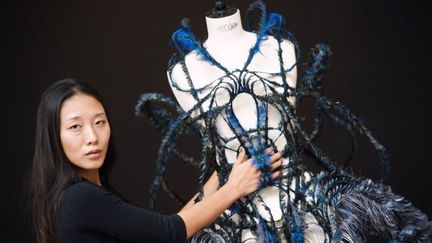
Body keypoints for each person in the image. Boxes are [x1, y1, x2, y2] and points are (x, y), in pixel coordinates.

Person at [29, 78, 283, 243]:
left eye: (99, 122)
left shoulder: (89, 194)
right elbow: (169, 232)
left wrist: (222, 174)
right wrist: (234, 188)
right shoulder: (79, 198)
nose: (92, 137)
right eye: (75, 127)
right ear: (54, 137)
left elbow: (164, 232)